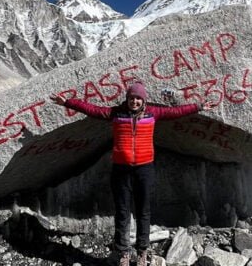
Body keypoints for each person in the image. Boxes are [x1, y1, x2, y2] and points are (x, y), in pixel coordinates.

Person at [52, 81, 212, 266]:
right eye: (131, 98)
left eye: (138, 98)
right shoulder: (116, 113)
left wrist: (198, 106)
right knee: (122, 213)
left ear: (143, 100)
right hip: (121, 170)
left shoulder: (154, 112)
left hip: (144, 170)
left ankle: (142, 252)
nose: (134, 101)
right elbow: (93, 110)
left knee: (143, 212)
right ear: (127, 99)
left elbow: (176, 112)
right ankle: (123, 253)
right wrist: (67, 103)